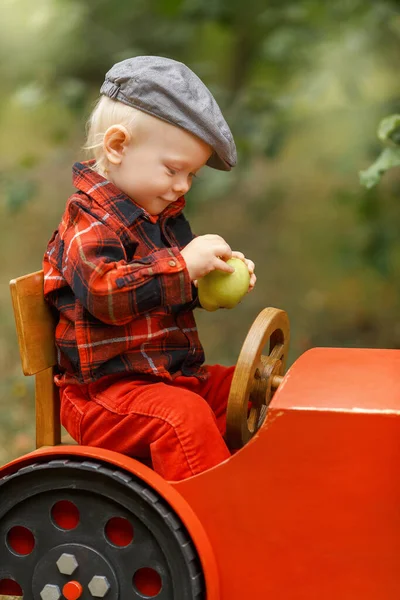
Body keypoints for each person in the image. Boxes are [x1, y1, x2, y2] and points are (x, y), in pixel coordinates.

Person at [43, 56, 256, 481]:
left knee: (253, 391)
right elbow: (107, 295)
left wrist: (208, 278)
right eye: (173, 169)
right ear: (117, 146)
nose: (182, 186)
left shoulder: (162, 217)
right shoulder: (88, 221)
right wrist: (182, 266)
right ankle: (215, 526)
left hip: (166, 380)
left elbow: (161, 291)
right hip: (105, 396)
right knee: (182, 417)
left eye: (191, 175)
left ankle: (264, 488)